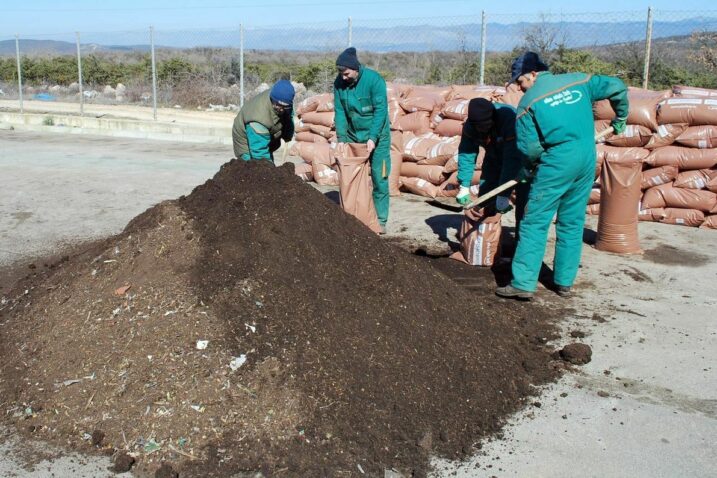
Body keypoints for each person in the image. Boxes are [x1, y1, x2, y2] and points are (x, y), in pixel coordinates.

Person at [496, 51, 628, 300]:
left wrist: (528, 170)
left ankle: (523, 284)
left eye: (521, 82)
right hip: (586, 156)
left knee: (534, 220)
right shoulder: (579, 80)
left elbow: (529, 149)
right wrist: (621, 115)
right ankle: (564, 282)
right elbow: (617, 86)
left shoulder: (528, 104)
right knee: (572, 221)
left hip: (557, 162)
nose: (521, 88)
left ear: (533, 73)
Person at [333, 47, 391, 234]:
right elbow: (340, 111)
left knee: (379, 177)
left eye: (346, 73)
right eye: (341, 73)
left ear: (355, 68)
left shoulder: (374, 81)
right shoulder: (339, 84)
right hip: (352, 136)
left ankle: (379, 221)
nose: (343, 77)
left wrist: (373, 138)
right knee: (350, 177)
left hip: (377, 137)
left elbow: (380, 111)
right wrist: (341, 138)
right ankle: (353, 217)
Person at [455, 97, 530, 234]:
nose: (483, 128)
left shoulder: (508, 119)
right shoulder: (470, 127)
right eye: (479, 126)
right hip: (493, 158)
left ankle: (520, 242)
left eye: (486, 124)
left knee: (524, 203)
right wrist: (464, 185)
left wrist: (503, 195)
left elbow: (511, 160)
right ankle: (484, 237)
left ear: (493, 117)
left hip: (522, 160)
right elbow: (467, 153)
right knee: (485, 197)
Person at [232, 79, 295, 162]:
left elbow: (288, 116)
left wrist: (288, 133)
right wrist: (268, 168)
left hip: (265, 134)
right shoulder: (258, 118)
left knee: (268, 163)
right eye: (279, 106)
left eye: (285, 106)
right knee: (255, 167)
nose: (282, 109)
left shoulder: (285, 102)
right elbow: (259, 152)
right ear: (273, 99)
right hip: (246, 140)